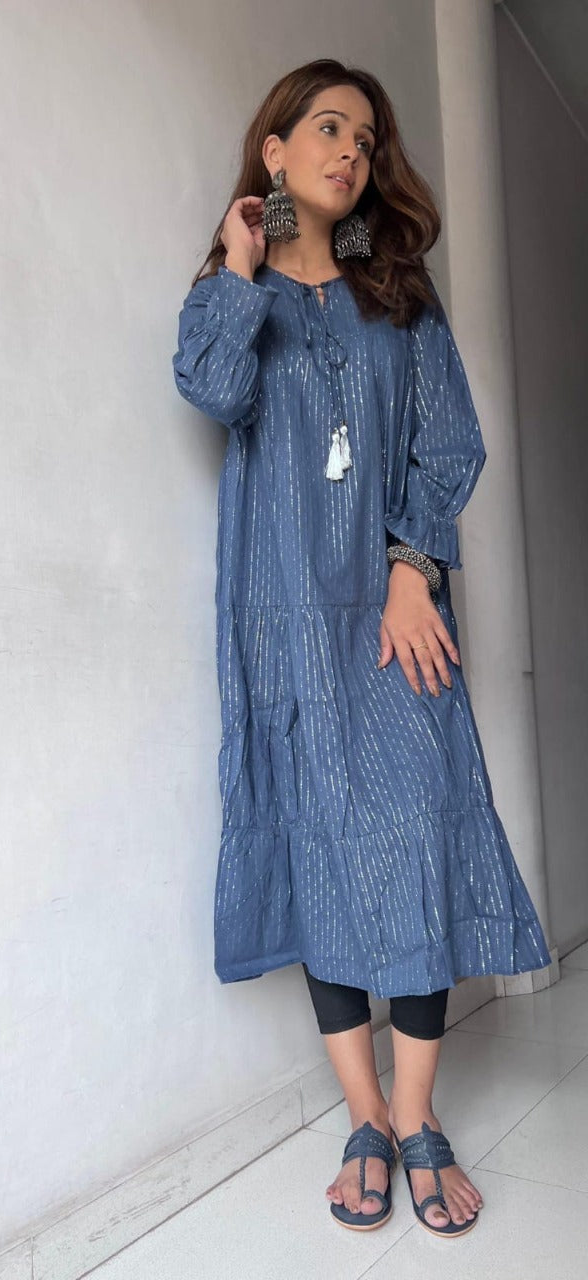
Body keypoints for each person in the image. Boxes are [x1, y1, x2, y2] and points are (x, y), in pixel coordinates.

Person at [171, 59, 552, 1238]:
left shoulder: (397, 294)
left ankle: (421, 1111)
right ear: (274, 151)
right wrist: (240, 263)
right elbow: (209, 389)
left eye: (366, 137)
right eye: (327, 128)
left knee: (417, 830)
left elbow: (449, 442)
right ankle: (368, 1117)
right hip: (283, 620)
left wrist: (408, 566)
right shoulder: (229, 293)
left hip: (397, 613)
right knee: (320, 842)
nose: (351, 150)